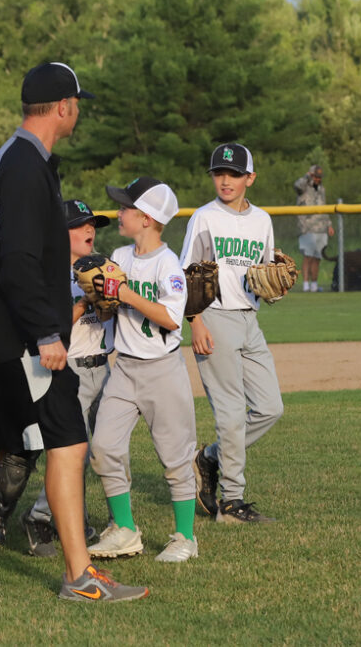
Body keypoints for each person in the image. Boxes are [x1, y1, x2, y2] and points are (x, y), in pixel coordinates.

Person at [0, 62, 149, 602]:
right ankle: (80, 577)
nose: (78, 111)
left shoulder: (21, 158)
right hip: (25, 342)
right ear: (64, 106)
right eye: (77, 103)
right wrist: (47, 333)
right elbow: (18, 263)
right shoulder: (22, 165)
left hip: (2, 336)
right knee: (69, 443)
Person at [0, 199, 113, 557]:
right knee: (37, 447)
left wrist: (116, 298)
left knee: (88, 449)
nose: (89, 231)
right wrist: (83, 305)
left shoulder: (102, 267)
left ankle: (62, 519)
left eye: (92, 224)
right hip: (60, 367)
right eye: (80, 225)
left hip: (101, 367)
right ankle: (0, 522)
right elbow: (43, 323)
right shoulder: (46, 273)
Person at [86, 177, 198, 563]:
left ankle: (185, 537)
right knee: (103, 446)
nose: (119, 213)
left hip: (163, 372)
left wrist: (126, 294)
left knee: (175, 457)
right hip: (125, 369)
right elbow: (111, 304)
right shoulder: (119, 255)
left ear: (147, 219)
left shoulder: (168, 264)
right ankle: (125, 530)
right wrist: (100, 298)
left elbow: (170, 318)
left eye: (126, 208)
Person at [182, 143, 283, 524]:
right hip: (214, 316)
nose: (225, 179)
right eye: (219, 173)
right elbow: (187, 272)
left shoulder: (262, 221)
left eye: (234, 173)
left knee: (271, 407)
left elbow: (266, 272)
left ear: (249, 179)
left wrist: (274, 284)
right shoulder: (204, 218)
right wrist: (195, 321)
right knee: (231, 415)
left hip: (249, 321)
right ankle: (232, 502)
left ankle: (209, 458)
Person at [294, 165, 333, 292]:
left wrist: (329, 224)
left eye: (319, 177)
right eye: (315, 176)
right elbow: (297, 186)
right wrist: (307, 177)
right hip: (307, 227)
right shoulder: (304, 186)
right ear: (311, 175)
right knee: (308, 256)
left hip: (321, 227)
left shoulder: (322, 189)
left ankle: (314, 285)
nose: (317, 179)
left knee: (317, 257)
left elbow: (324, 206)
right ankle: (305, 285)